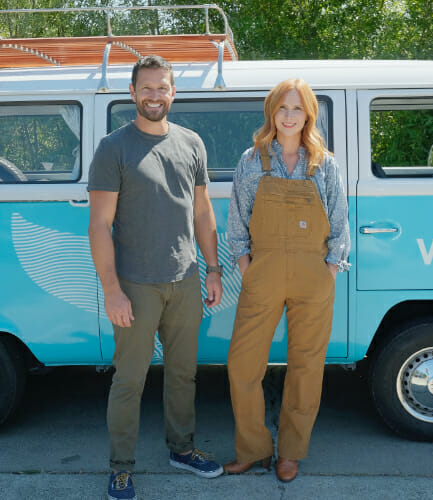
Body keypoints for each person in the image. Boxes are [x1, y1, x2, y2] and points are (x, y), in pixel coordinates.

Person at [88, 55, 224, 500]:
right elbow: (99, 225)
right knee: (130, 380)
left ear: (173, 92)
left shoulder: (191, 143)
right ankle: (121, 468)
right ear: (131, 93)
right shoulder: (114, 148)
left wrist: (213, 268)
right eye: (146, 88)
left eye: (161, 87)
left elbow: (202, 213)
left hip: (184, 280)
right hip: (135, 285)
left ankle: (181, 449)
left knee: (183, 374)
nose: (154, 95)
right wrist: (112, 291)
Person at [224, 79, 350, 482]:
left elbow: (340, 227)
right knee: (242, 367)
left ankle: (290, 453)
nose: (289, 116)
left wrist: (329, 270)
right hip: (263, 274)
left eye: (298, 109)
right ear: (271, 113)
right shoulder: (252, 159)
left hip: (314, 276)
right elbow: (237, 221)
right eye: (282, 108)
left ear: (308, 114)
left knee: (306, 367)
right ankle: (254, 449)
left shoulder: (325, 164)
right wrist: (246, 266)